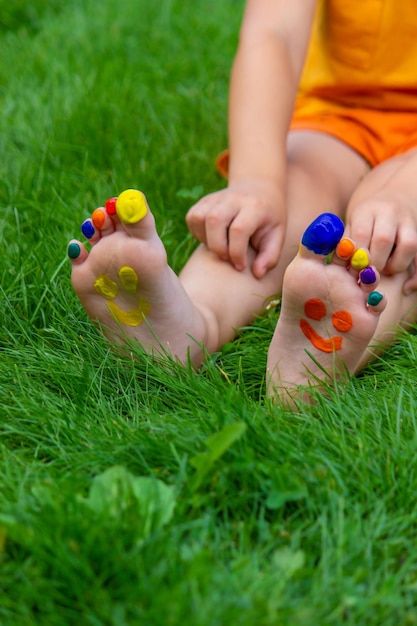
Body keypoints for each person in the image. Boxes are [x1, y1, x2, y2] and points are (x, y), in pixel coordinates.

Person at [67, 0, 417, 404]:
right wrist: (256, 181)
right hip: (337, 117)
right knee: (283, 202)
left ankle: (317, 370)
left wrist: (402, 190)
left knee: (392, 236)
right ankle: (188, 325)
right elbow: (274, 35)